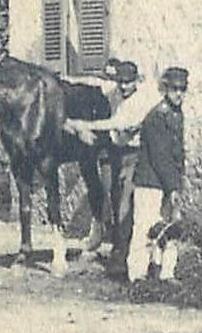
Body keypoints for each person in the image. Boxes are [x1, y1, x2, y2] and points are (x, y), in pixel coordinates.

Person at [65, 60, 159, 260]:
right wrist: (65, 79)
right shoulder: (115, 89)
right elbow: (95, 81)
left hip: (134, 154)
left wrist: (82, 124)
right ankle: (117, 241)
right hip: (116, 151)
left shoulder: (138, 102)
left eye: (128, 82)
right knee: (114, 196)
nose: (124, 87)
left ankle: (123, 251)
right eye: (121, 82)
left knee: (125, 202)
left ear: (136, 81)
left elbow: (114, 123)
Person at [127, 66, 188, 284]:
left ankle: (166, 272)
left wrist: (178, 183)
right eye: (174, 89)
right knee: (144, 227)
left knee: (171, 228)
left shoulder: (176, 115)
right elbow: (160, 157)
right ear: (165, 89)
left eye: (182, 89)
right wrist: (172, 188)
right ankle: (137, 273)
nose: (178, 94)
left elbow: (177, 154)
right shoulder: (156, 117)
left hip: (168, 181)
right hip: (150, 181)